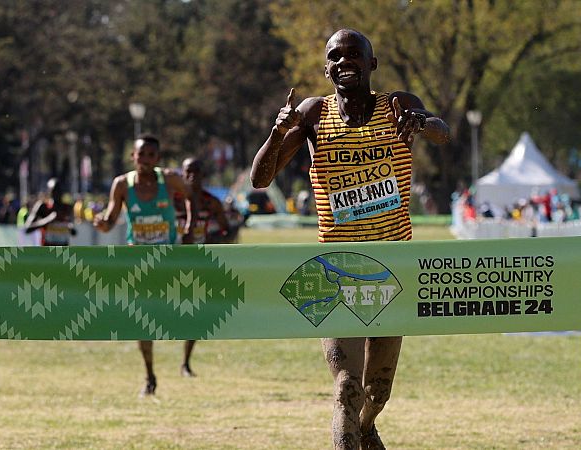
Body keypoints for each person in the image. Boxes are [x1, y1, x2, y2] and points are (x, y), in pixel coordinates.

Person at [251, 29, 449, 450]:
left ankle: (366, 426)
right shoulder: (313, 114)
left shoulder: (398, 105)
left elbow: (442, 131)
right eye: (335, 56)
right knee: (345, 387)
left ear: (372, 64)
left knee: (376, 393)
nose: (344, 62)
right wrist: (277, 132)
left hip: (393, 265)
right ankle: (355, 428)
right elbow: (260, 178)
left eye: (354, 55)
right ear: (326, 69)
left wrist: (422, 123)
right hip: (335, 266)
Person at [93, 134, 194, 396]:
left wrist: (190, 225)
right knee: (143, 322)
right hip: (137, 262)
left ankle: (185, 362)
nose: (146, 160)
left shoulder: (169, 179)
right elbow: (111, 219)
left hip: (170, 260)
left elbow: (191, 195)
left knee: (186, 313)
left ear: (158, 158)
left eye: (151, 155)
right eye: (141, 154)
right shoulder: (122, 185)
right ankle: (149, 376)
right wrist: (102, 224)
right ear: (132, 156)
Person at [172, 156, 230, 377]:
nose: (191, 176)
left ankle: (185, 363)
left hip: (198, 263)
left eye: (196, 171)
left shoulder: (210, 201)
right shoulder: (174, 200)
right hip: (172, 261)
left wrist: (212, 240)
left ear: (203, 175)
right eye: (187, 172)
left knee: (194, 313)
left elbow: (225, 229)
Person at [24, 178, 76, 246]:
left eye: (59, 190)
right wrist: (48, 220)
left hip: (64, 251)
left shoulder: (67, 208)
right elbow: (27, 228)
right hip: (47, 251)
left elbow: (73, 230)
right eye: (54, 190)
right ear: (49, 191)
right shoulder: (42, 206)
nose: (57, 193)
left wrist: (71, 228)